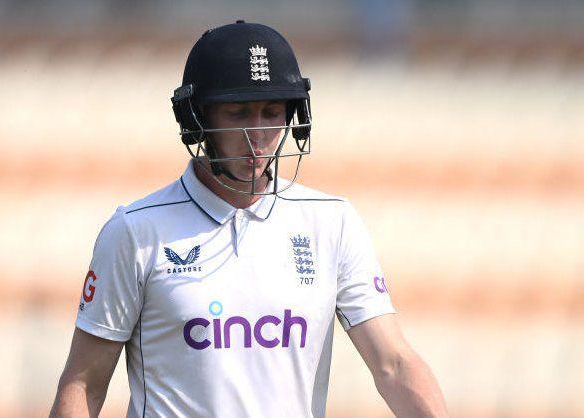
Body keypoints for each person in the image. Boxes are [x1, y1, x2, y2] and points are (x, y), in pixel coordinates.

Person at [50, 20, 449, 418]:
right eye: (238, 112)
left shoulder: (332, 221)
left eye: (272, 111)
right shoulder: (136, 231)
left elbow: (394, 364)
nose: (257, 134)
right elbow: (85, 383)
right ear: (196, 118)